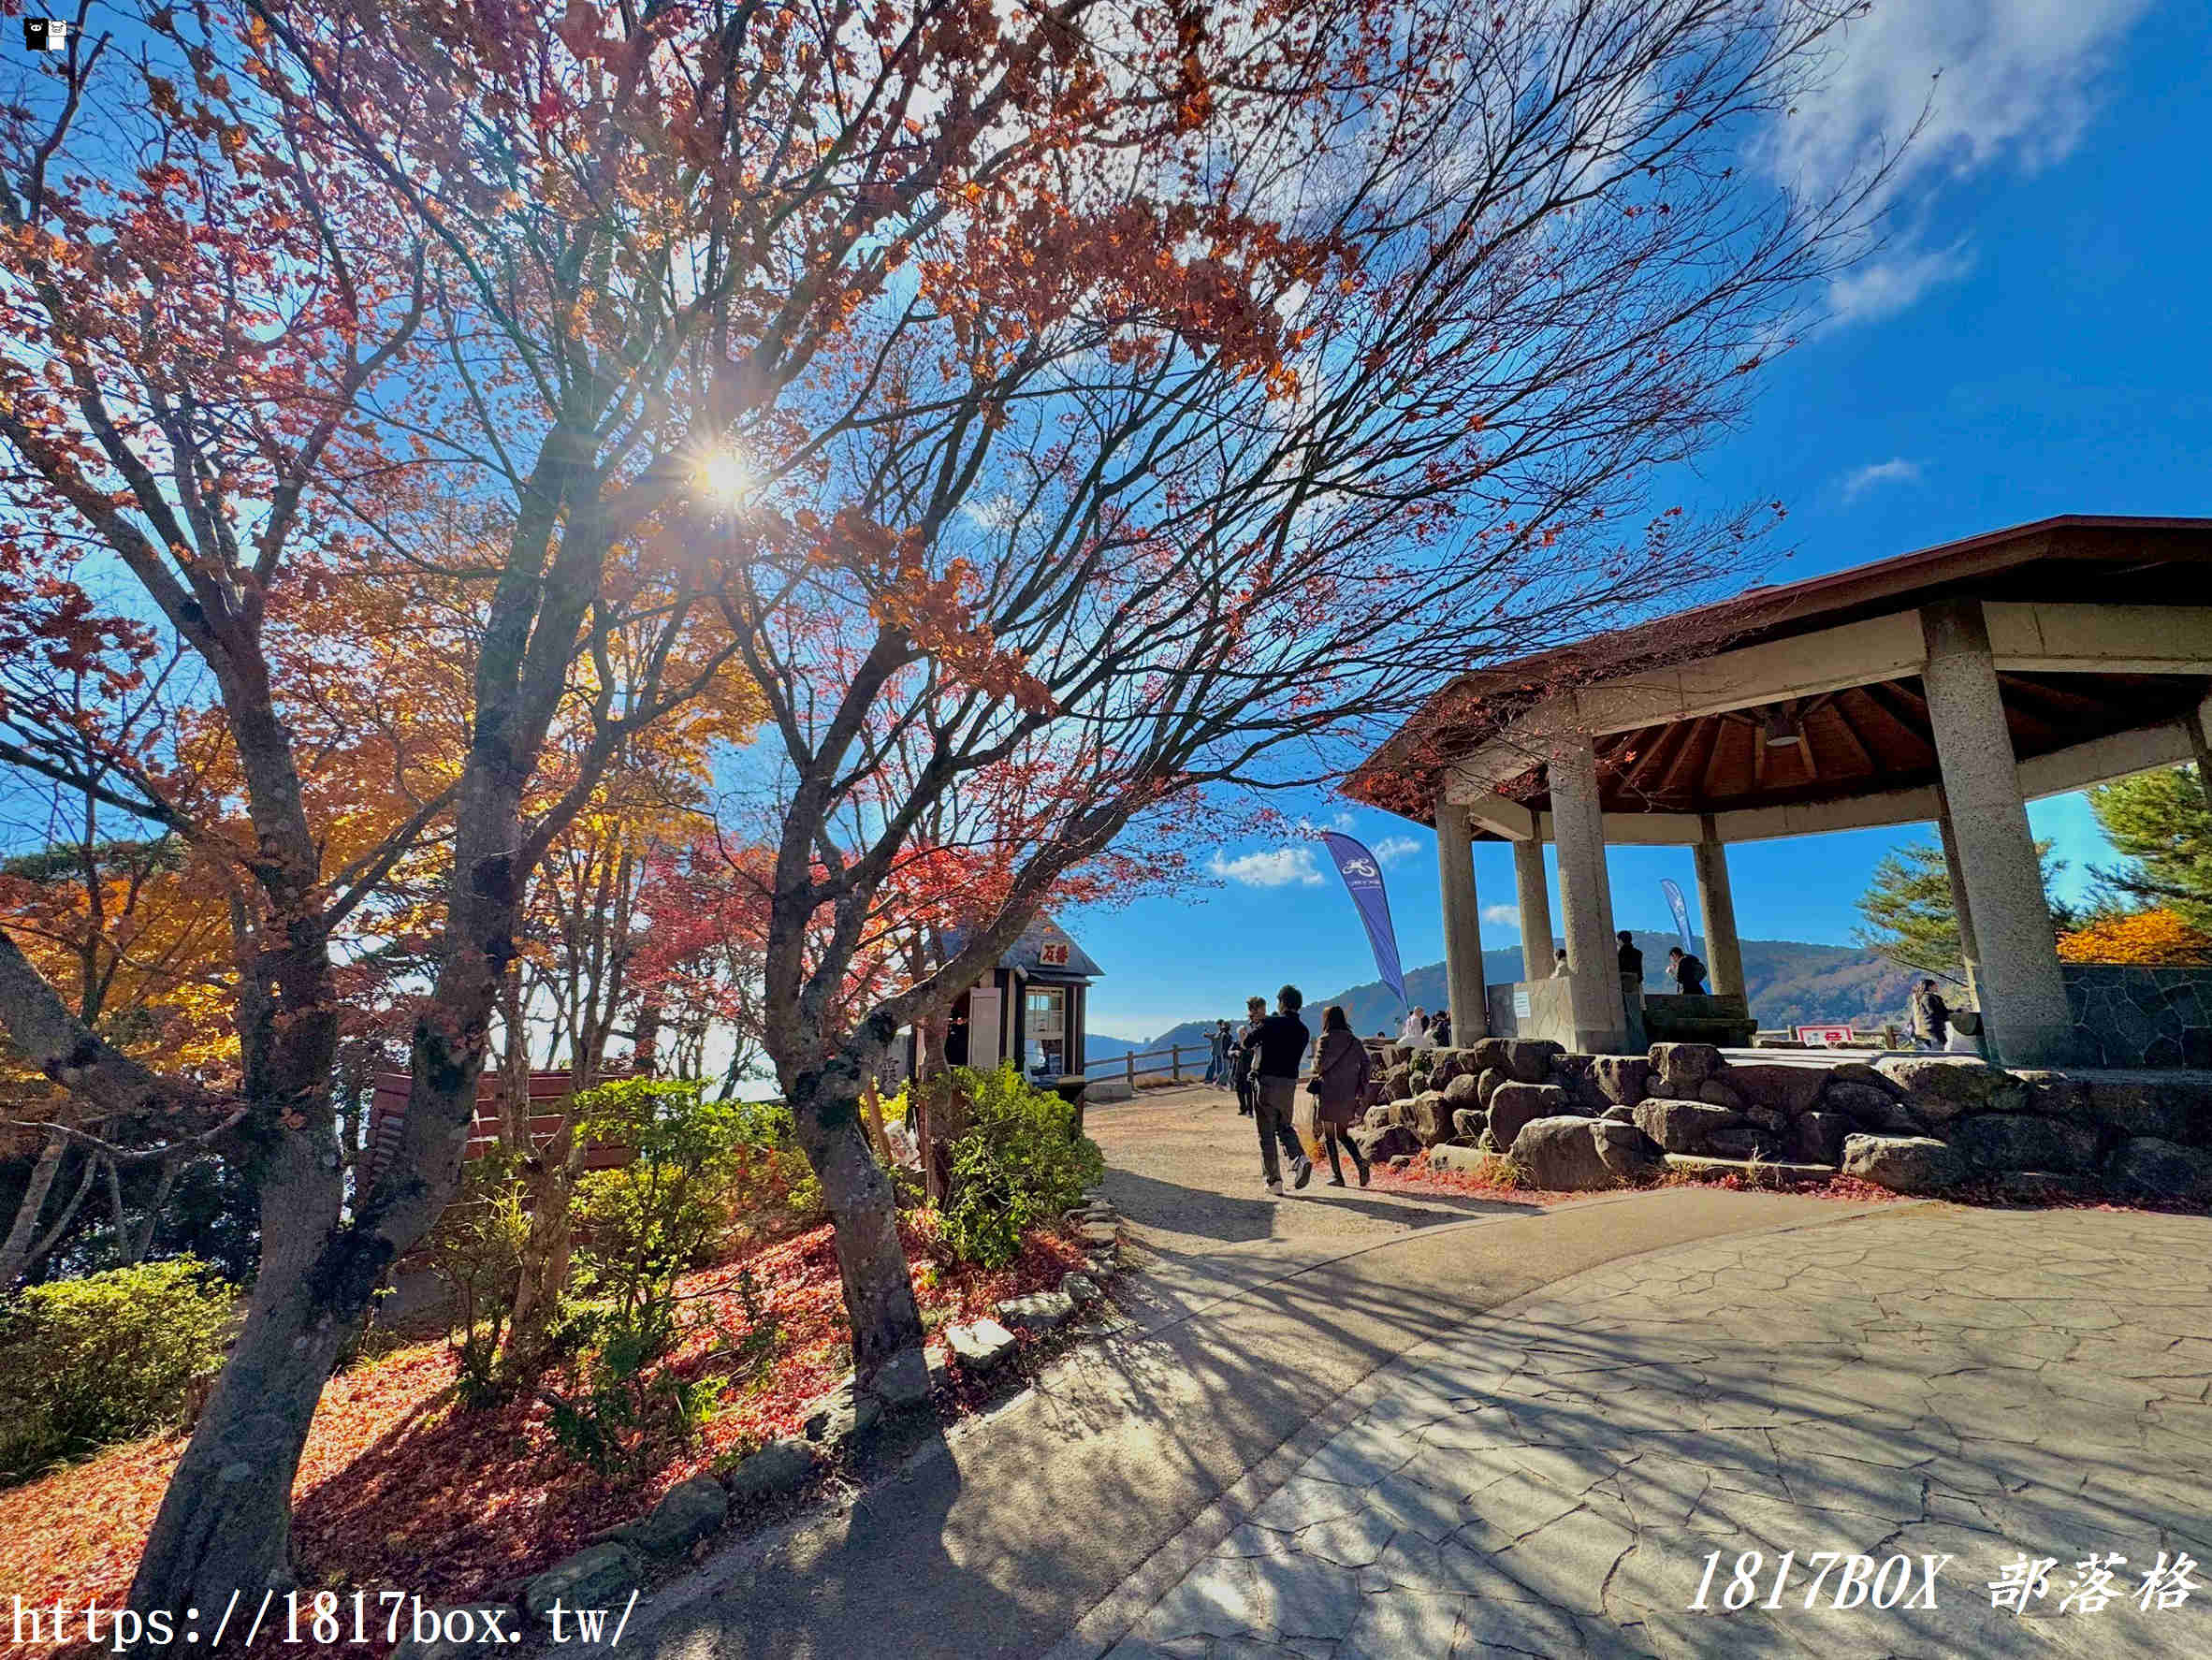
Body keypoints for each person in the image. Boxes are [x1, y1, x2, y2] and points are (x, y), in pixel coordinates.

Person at [1250, 984, 1316, 1193]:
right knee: (1284, 1126)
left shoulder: (1271, 1023)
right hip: (1289, 1084)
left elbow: (1249, 1042)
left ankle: (1274, 1182)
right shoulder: (1303, 1030)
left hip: (1267, 1081)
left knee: (1266, 1132)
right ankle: (1299, 1158)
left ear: (1282, 1002)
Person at [1306, 1005, 1374, 1187]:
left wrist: (1313, 1066)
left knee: (1330, 1136)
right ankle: (1361, 1163)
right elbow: (1366, 1063)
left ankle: (1338, 1177)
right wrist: (1361, 1086)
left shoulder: (1325, 1039)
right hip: (1348, 1093)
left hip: (1329, 1092)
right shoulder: (1354, 1040)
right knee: (1343, 1134)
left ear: (1327, 1020)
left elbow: (1319, 1066)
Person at [1233, 996, 1267, 1115]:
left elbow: (1249, 1045)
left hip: (1263, 1072)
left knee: (1262, 1105)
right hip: (1251, 1070)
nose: (1251, 1020)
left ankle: (1250, 1111)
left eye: (1251, 1016)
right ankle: (1246, 1109)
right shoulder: (1258, 1029)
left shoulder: (1261, 1028)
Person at [1911, 978, 1951, 1051]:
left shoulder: (1927, 997)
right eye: (1935, 985)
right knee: (1939, 1044)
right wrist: (1948, 1015)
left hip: (1932, 1025)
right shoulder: (1927, 997)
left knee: (1942, 1042)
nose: (1937, 987)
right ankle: (1939, 1059)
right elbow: (1932, 1011)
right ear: (1930, 987)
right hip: (1932, 1025)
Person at [1204, 1018, 1232, 1086]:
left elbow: (1216, 1039)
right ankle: (1215, 1080)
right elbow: (1215, 1038)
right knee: (1217, 1067)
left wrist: (1208, 1036)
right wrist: (1209, 1036)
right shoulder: (1221, 1032)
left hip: (1219, 1052)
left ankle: (1218, 1081)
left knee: (1219, 1068)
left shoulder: (1223, 1033)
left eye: (1219, 1024)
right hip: (1218, 1052)